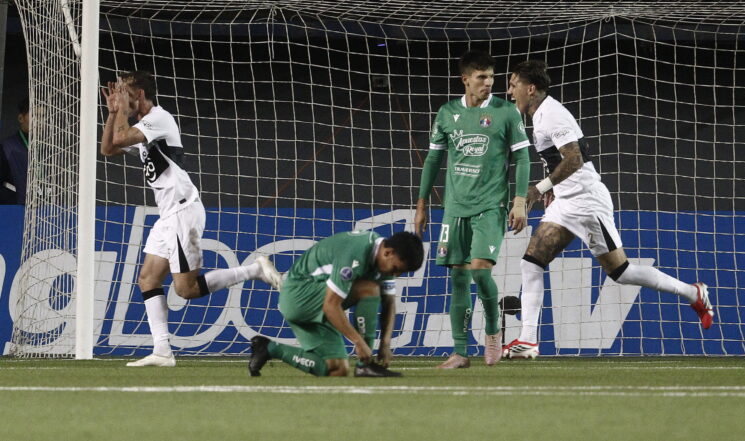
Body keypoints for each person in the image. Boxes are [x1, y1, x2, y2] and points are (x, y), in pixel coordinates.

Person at [502, 60, 714, 359]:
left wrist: (540, 189)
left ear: (531, 88)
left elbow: (575, 159)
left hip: (587, 202)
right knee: (531, 263)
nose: (510, 91)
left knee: (621, 272)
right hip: (566, 202)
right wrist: (554, 189)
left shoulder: (552, 114)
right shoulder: (539, 116)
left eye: (514, 85)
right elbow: (559, 160)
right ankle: (528, 341)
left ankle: (693, 292)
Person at [101, 71, 283, 367]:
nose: (121, 99)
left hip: (184, 211)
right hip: (167, 216)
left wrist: (120, 112)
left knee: (186, 289)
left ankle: (255, 270)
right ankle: (162, 351)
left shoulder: (159, 119)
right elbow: (108, 148)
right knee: (148, 279)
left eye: (125, 94)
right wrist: (112, 114)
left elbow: (121, 137)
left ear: (141, 95)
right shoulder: (142, 127)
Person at [413, 50, 531, 368]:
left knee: (479, 271)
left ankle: (493, 333)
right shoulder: (447, 113)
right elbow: (433, 159)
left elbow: (522, 158)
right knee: (459, 279)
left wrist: (519, 200)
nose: (488, 82)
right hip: (454, 208)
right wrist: (421, 205)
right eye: (481, 77)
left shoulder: (506, 112)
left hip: (491, 206)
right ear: (465, 79)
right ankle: (460, 352)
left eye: (491, 76)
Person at [248, 230, 424, 377]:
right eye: (396, 269)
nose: (395, 275)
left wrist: (385, 343)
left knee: (337, 369)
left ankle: (269, 348)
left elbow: (389, 303)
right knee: (368, 288)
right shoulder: (357, 251)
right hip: (298, 296)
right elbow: (331, 305)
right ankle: (365, 365)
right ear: (388, 253)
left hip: (318, 307)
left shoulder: (384, 262)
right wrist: (359, 342)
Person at [0, 97, 30, 204]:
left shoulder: (49, 149)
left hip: (45, 210)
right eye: (35, 115)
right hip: (16, 209)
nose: (40, 121)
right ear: (21, 118)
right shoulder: (6, 147)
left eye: (43, 116)